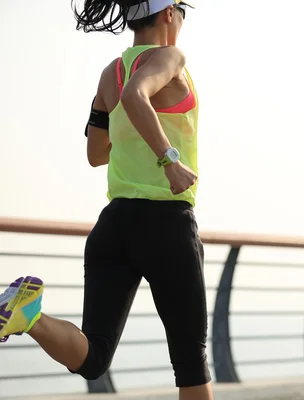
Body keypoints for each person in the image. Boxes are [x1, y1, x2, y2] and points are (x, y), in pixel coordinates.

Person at [0, 1, 213, 399]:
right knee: (190, 359)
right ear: (169, 14)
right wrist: (169, 160)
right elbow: (136, 95)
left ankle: (29, 317)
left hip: (114, 226)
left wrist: (124, 120)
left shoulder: (109, 73)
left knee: (94, 355)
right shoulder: (171, 57)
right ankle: (29, 317)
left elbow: (97, 153)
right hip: (166, 225)